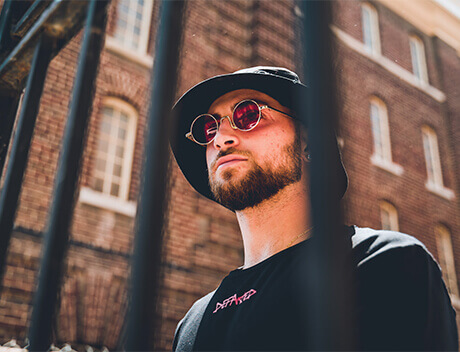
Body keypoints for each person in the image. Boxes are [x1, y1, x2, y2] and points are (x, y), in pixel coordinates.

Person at [170, 66, 458, 351]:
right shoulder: (193, 325)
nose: (220, 138)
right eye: (209, 127)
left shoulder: (380, 263)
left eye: (247, 115)